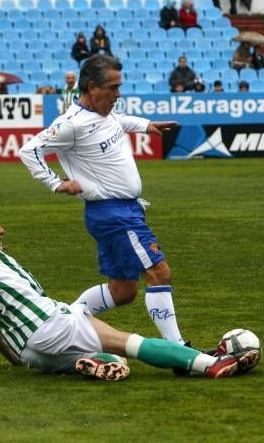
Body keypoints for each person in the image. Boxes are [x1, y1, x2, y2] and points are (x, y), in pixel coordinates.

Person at [0, 176, 258, 379]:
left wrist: (18, 363)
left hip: (31, 351)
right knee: (133, 343)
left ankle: (92, 363)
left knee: (113, 359)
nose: (2, 228)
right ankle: (209, 364)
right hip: (52, 323)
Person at [19, 54, 189, 348]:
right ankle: (179, 350)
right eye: (112, 87)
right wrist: (56, 182)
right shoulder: (71, 124)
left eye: (119, 86)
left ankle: (63, 324)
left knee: (123, 292)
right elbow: (29, 150)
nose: (118, 94)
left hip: (120, 212)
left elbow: (117, 121)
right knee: (159, 272)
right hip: (114, 214)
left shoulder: (104, 112)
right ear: (91, 87)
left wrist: (145, 125)